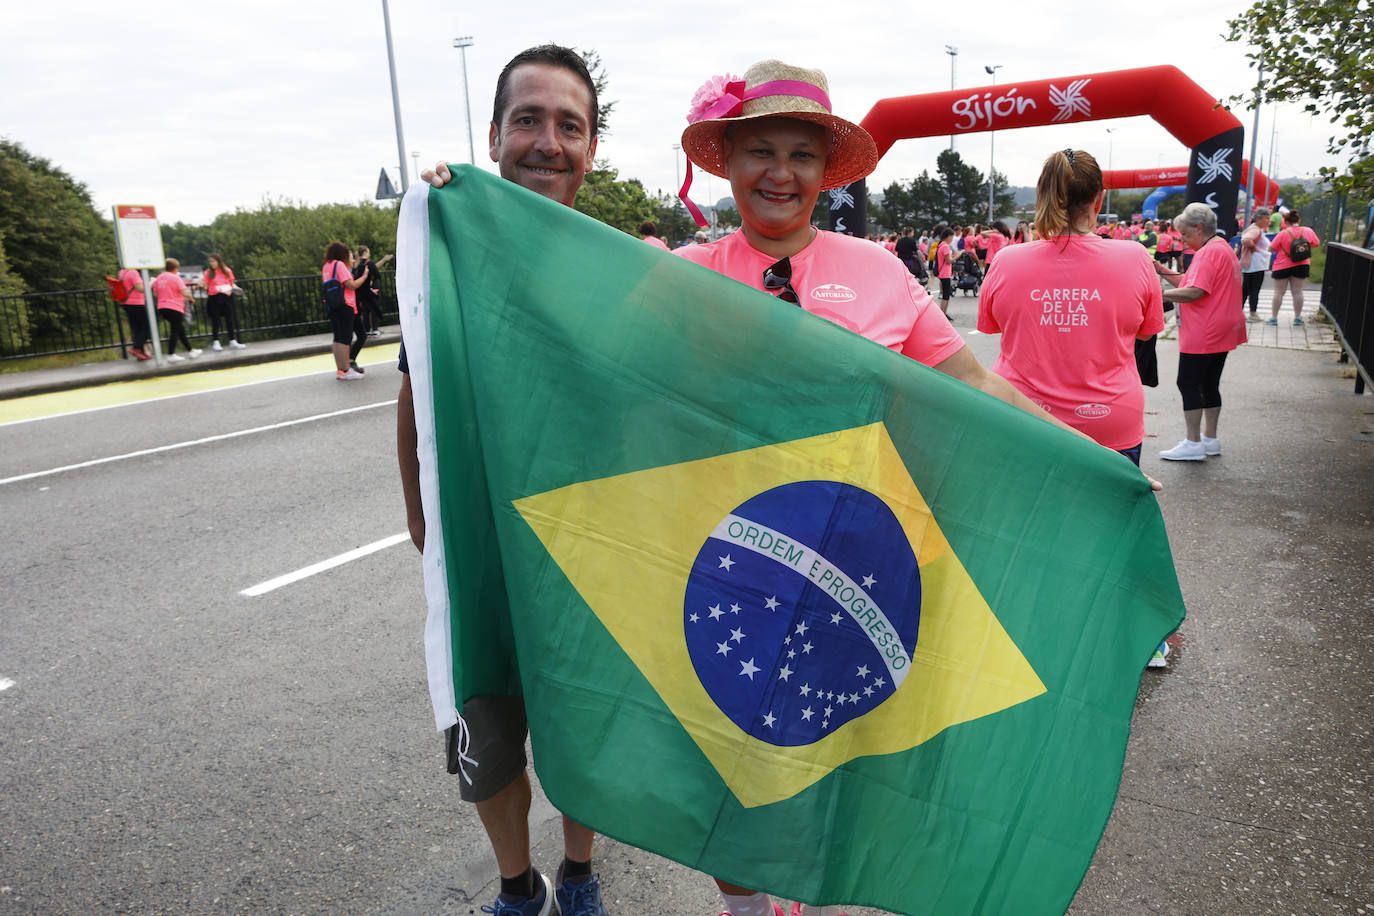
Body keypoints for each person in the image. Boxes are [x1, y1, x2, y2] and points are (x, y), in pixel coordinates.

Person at [674, 60, 1124, 916]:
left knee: (847, 748)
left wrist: (1085, 453)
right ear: (727, 161)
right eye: (760, 150)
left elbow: (976, 386)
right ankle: (742, 907)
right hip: (728, 562)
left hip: (858, 563)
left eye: (802, 154)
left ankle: (821, 890)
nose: (781, 172)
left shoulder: (879, 272)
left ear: (825, 170)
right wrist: (456, 207)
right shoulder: (681, 276)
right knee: (728, 755)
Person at [405, 44, 609, 916]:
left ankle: (580, 872)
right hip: (484, 551)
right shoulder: (442, 252)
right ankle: (517, 887)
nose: (547, 142)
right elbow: (415, 394)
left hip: (585, 545)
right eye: (528, 118)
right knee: (488, 737)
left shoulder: (617, 266)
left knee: (586, 732)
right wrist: (426, 522)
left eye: (570, 125)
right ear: (494, 135)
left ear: (592, 150)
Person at [978, 148, 1163, 464]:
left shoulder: (1006, 261)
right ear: (1098, 200)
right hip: (1108, 422)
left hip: (1023, 416)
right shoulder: (1135, 258)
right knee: (1109, 514)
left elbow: (990, 326)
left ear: (1042, 196)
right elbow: (1145, 335)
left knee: (1025, 514)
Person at [1154, 202, 1245, 462]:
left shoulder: (1208, 253)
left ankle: (1193, 443)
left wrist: (1156, 295)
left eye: (1185, 234)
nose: (1182, 240)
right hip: (1224, 327)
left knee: (1188, 383)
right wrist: (1161, 270)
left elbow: (1194, 292)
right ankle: (1210, 439)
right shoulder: (1221, 248)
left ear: (1200, 228)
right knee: (1209, 384)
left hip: (1205, 329)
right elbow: (1190, 282)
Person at [321, 242, 369, 380]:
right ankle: (347, 369)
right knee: (345, 339)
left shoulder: (327, 266)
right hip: (345, 304)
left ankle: (340, 370)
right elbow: (351, 285)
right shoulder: (339, 265)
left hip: (332, 305)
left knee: (337, 338)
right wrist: (364, 277)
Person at [1267, 209, 1320, 326]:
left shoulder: (1283, 233)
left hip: (1282, 265)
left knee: (1279, 292)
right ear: (1299, 220)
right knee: (1297, 292)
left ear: (1285, 222)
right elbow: (1316, 243)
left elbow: (1271, 248)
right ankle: (1297, 318)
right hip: (1302, 264)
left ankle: (1274, 318)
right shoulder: (1308, 231)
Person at [151, 258, 201, 362]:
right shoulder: (176, 278)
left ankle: (191, 351)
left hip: (162, 307)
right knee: (175, 330)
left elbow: (155, 294)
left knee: (179, 329)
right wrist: (191, 299)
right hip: (175, 307)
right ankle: (170, 355)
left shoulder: (159, 278)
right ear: (175, 268)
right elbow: (185, 292)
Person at [199, 253, 246, 351]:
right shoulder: (208, 273)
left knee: (229, 319)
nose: (211, 263)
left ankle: (232, 341)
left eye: (213, 261)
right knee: (215, 320)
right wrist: (202, 285)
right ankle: (216, 342)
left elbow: (232, 284)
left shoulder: (227, 271)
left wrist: (238, 290)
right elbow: (206, 286)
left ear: (219, 261)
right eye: (210, 261)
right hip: (214, 298)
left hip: (226, 297)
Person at [1239, 208, 1272, 320]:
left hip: (1253, 264)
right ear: (1259, 218)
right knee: (1253, 289)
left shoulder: (1256, 229)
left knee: (1246, 289)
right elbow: (1246, 240)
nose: (1268, 221)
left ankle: (1239, 311)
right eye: (1266, 218)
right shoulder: (1255, 229)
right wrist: (1254, 248)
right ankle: (1252, 313)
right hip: (1255, 264)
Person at [353, 246, 393, 337]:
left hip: (361, 290)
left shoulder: (357, 264)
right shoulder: (367, 263)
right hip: (370, 289)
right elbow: (376, 273)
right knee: (373, 309)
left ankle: (367, 330)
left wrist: (383, 260)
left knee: (365, 310)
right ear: (365, 252)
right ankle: (374, 329)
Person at [117, 265, 152, 360]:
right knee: (148, 327)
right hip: (136, 303)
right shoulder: (133, 272)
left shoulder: (122, 272)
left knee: (137, 328)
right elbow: (140, 289)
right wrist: (151, 283)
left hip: (126, 302)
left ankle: (140, 352)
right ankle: (136, 347)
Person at [934, 225, 955, 314]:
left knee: (945, 295)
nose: (952, 239)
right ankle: (943, 313)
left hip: (942, 273)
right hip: (945, 273)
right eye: (951, 237)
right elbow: (948, 261)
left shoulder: (941, 244)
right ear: (948, 236)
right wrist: (957, 256)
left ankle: (943, 313)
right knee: (946, 296)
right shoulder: (945, 246)